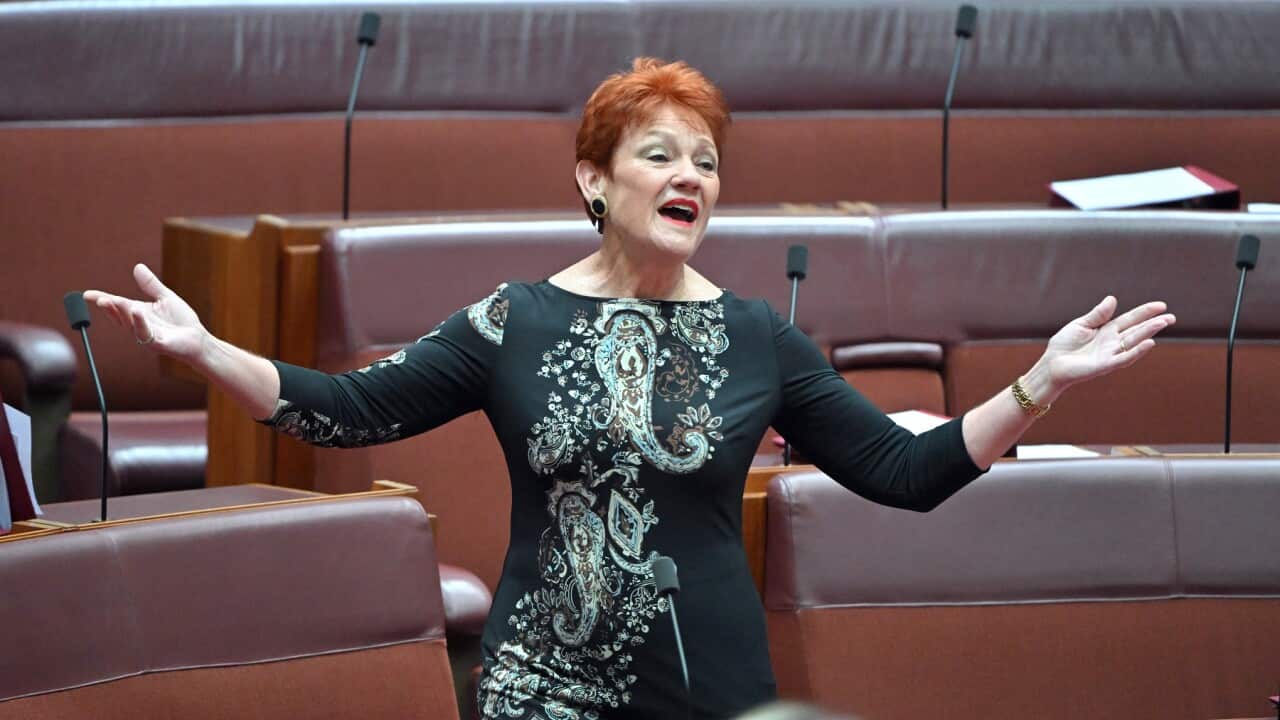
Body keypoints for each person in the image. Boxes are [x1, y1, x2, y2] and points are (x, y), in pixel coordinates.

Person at [85, 57, 1175, 719]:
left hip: (710, 686)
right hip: (540, 686)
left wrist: (1036, 383)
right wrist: (202, 350)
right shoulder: (514, 318)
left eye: (705, 160)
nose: (689, 176)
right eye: (660, 155)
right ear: (593, 180)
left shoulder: (755, 335)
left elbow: (905, 472)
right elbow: (346, 409)